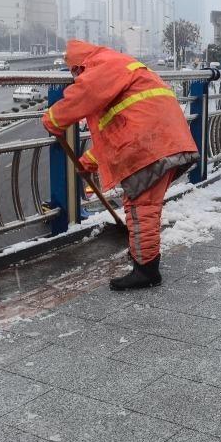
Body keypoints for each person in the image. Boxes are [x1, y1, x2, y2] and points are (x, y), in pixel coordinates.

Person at [41, 40, 199, 291]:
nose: (75, 78)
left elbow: (84, 94)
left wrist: (54, 118)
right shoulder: (118, 65)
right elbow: (118, 133)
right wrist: (88, 163)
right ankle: (142, 256)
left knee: (141, 207)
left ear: (80, 65)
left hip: (150, 145)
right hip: (161, 140)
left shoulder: (101, 67)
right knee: (146, 206)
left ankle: (146, 270)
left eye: (74, 72)